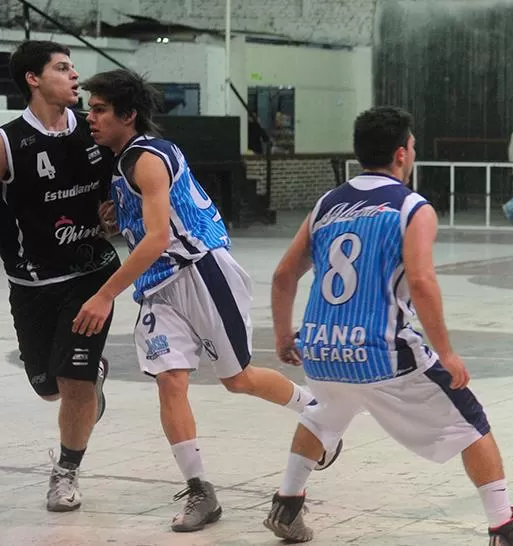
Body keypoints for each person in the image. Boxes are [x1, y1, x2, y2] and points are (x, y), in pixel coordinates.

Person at [265, 106, 513, 545]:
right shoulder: (411, 206)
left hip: (323, 347)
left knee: (325, 414)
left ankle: (286, 508)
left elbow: (284, 275)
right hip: (382, 351)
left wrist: (285, 336)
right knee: (470, 422)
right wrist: (447, 352)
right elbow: (420, 280)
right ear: (402, 154)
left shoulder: (327, 204)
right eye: (413, 146)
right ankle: (505, 531)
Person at [73, 69, 340, 533]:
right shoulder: (128, 160)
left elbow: (158, 238)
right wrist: (124, 215)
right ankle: (201, 490)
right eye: (89, 109)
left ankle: (315, 410)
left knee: (237, 379)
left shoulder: (146, 159)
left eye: (99, 110)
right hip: (160, 287)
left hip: (202, 271)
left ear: (128, 115)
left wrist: (103, 294)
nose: (90, 118)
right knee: (170, 382)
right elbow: (157, 219)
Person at [0, 40, 117, 513]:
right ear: (33, 78)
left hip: (92, 275)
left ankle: (66, 473)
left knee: (72, 377)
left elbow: (123, 185)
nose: (75, 76)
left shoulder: (96, 131)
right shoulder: (9, 142)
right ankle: (92, 379)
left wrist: (116, 211)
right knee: (48, 387)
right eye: (63, 68)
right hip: (31, 283)